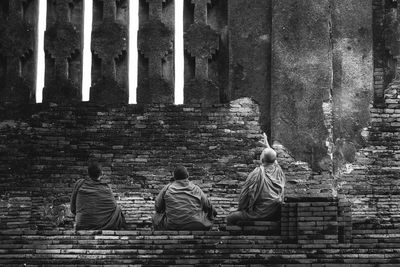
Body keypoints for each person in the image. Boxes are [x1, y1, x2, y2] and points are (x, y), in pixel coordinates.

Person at [226, 133, 286, 225]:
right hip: (274, 212)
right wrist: (267, 144)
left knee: (230, 217)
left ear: (261, 160)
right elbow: (273, 159)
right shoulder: (279, 172)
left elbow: (245, 196)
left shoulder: (257, 173)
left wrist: (241, 209)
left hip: (258, 213)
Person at [152, 166, 217, 230]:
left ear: (174, 177)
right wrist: (211, 216)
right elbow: (208, 206)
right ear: (187, 175)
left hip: (172, 225)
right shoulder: (196, 189)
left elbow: (158, 206)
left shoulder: (167, 188)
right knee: (207, 215)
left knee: (156, 217)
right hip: (196, 224)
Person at [70, 162, 126, 230]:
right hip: (103, 224)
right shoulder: (106, 188)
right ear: (101, 174)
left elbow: (72, 209)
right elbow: (113, 208)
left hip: (82, 223)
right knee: (118, 209)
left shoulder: (79, 184)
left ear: (88, 173)